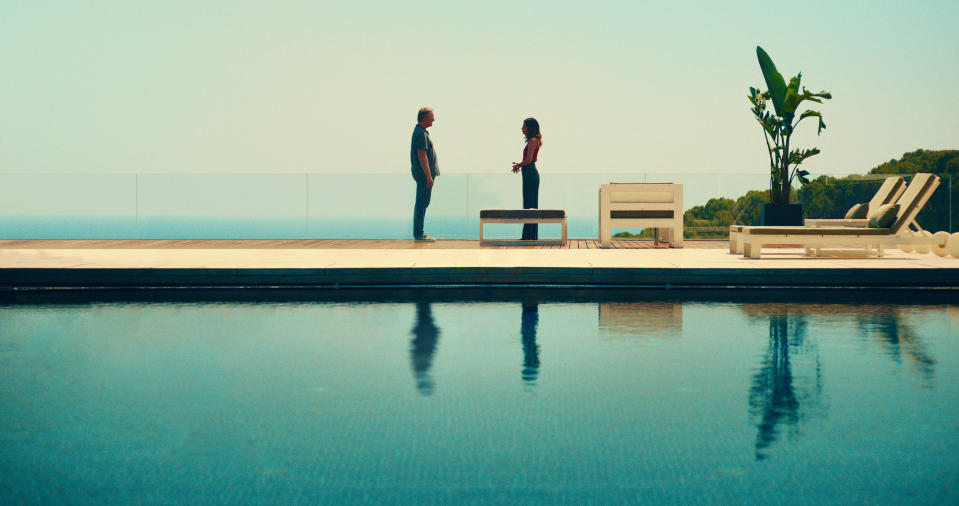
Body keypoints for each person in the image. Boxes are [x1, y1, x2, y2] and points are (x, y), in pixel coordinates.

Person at [511, 118, 542, 240]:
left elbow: (529, 160)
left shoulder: (533, 141)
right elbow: (527, 160)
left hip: (530, 173)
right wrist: (519, 164)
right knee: (529, 204)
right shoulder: (532, 140)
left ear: (529, 127)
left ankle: (530, 236)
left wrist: (519, 165)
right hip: (528, 172)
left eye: (523, 126)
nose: (522, 128)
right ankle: (529, 235)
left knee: (531, 204)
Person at [410, 107, 438, 241]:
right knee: (421, 204)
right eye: (432, 116)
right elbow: (422, 156)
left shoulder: (421, 132)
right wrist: (428, 176)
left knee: (422, 203)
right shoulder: (421, 134)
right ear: (425, 118)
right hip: (424, 176)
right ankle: (419, 234)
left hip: (423, 175)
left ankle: (419, 233)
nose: (434, 119)